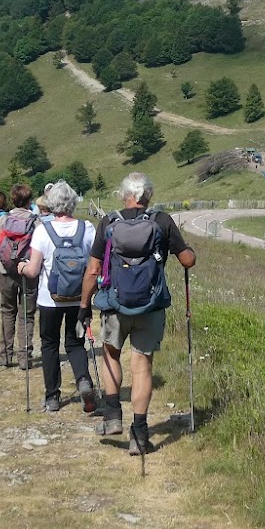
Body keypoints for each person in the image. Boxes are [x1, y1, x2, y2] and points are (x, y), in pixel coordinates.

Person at [80, 172, 195, 456]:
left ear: (124, 195)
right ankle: (140, 435)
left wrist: (84, 305)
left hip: (115, 304)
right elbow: (187, 260)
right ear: (148, 196)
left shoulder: (108, 222)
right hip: (151, 305)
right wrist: (189, 252)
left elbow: (94, 270)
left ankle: (112, 417)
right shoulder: (162, 221)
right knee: (142, 366)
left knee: (111, 354)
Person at [17, 180, 98, 413]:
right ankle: (83, 380)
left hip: (49, 299)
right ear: (72, 202)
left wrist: (22, 268)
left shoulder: (43, 230)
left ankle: (52, 396)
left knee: (50, 344)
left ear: (52, 204)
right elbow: (94, 265)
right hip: (78, 297)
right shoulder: (87, 229)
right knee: (75, 342)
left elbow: (33, 270)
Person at [0, 183, 38, 369]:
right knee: (26, 315)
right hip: (28, 272)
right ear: (29, 200)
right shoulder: (36, 222)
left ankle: (5, 355)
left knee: (7, 312)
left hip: (6, 271)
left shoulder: (4, 220)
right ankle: (24, 357)